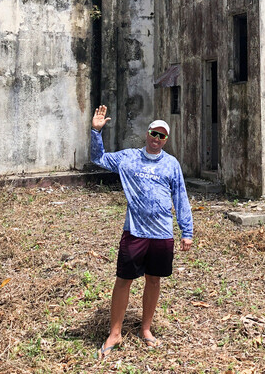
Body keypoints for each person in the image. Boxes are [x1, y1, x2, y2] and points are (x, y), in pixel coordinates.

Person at [90, 105, 193, 358]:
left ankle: (145, 329)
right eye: (153, 134)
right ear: (146, 134)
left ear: (166, 140)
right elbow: (98, 159)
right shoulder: (128, 158)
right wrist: (95, 132)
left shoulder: (171, 164)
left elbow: (180, 197)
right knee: (123, 280)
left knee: (154, 280)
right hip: (134, 232)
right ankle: (115, 332)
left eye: (162, 136)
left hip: (162, 234)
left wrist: (186, 230)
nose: (156, 139)